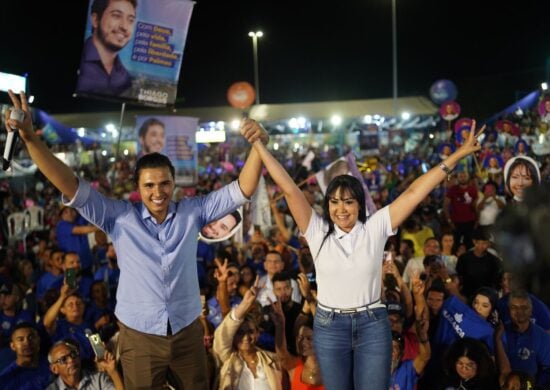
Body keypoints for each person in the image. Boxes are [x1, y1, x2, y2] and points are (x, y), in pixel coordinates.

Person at [5, 90, 268, 389]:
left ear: (174, 183)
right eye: (150, 185)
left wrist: (259, 144)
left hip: (187, 334)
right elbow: (68, 182)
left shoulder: (192, 212)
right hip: (140, 338)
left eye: (165, 183)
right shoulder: (118, 216)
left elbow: (243, 189)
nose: (158, 192)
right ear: (138, 187)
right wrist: (29, 137)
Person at [245, 116, 484, 388]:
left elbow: (414, 192)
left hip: (372, 324)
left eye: (348, 202)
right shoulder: (316, 231)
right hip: (329, 326)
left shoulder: (376, 227)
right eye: (334, 202)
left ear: (360, 205)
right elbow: (288, 188)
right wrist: (259, 145)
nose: (341, 209)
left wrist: (458, 154)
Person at [213, 280, 285, 390]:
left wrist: (281, 326)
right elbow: (222, 335)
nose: (246, 337)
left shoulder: (272, 360)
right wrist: (244, 304)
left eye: (250, 332)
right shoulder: (227, 359)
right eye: (240, 333)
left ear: (258, 332)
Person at [76, 0, 137, 96]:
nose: (124, 27)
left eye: (130, 20)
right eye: (116, 16)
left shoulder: (124, 78)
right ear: (95, 20)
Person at [46, 339, 123, 390]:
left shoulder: (99, 379)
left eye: (73, 354)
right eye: (63, 359)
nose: (71, 360)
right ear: (54, 369)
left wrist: (113, 371)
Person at [0, 322, 52, 390]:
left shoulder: (52, 365)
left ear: (38, 340)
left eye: (31, 337)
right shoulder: (6, 379)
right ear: (13, 346)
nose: (27, 343)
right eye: (20, 339)